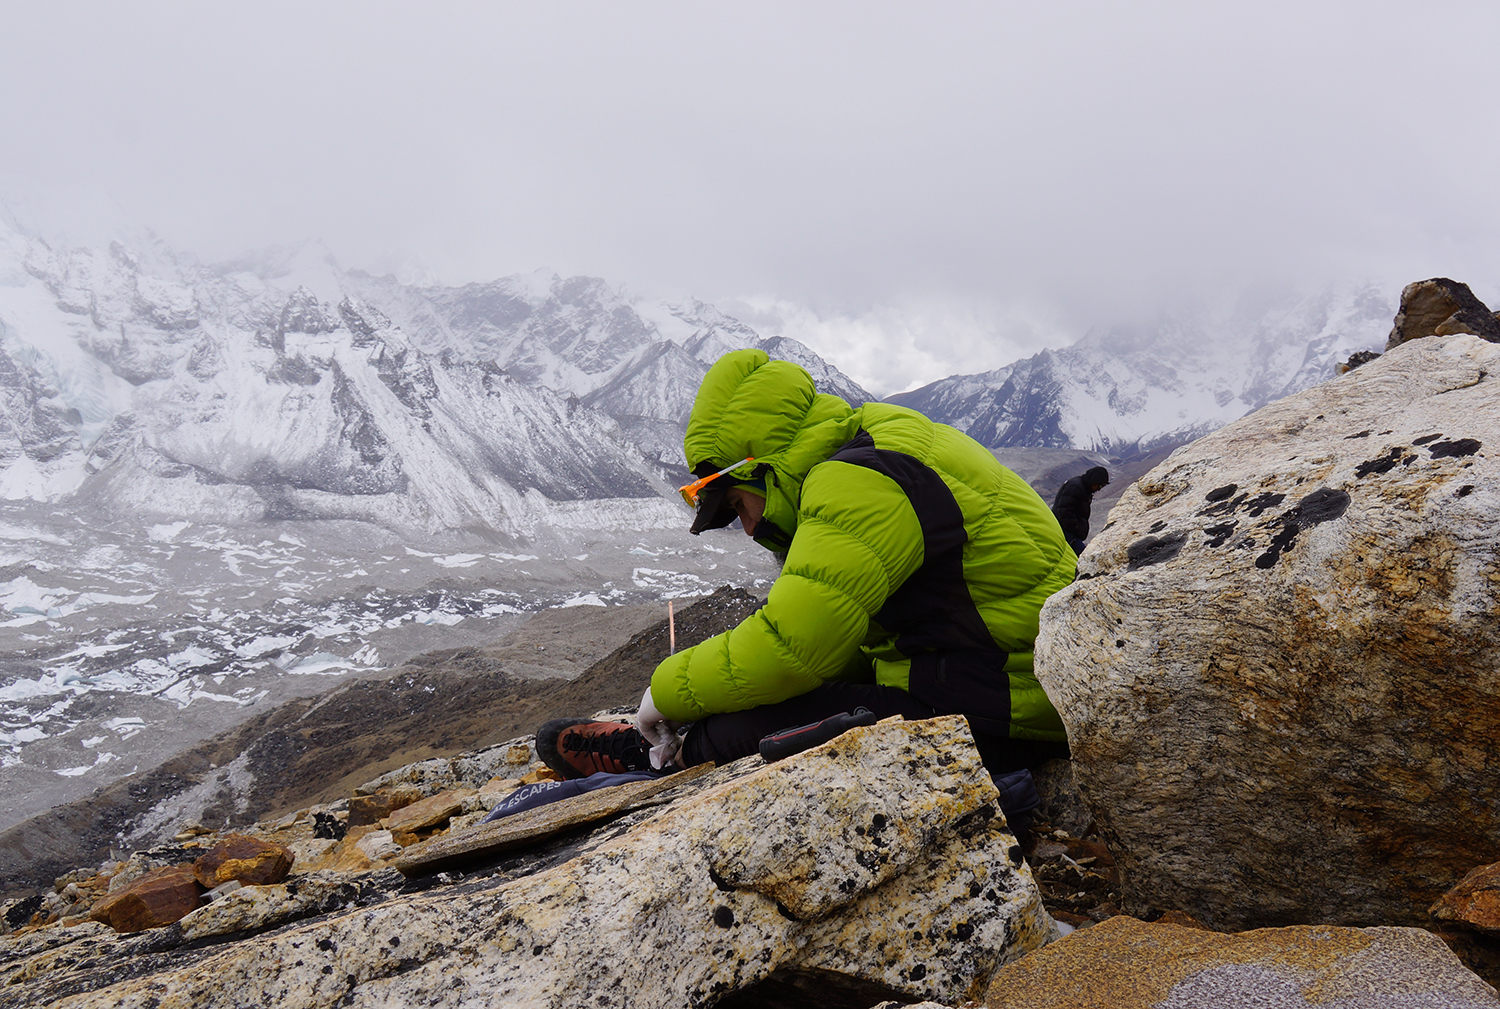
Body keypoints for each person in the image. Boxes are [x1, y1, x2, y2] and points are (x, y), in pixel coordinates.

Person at [537, 349, 1076, 781]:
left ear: (762, 470)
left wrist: (667, 691)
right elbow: (844, 636)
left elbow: (789, 649)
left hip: (1004, 708)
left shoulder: (855, 481)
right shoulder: (881, 438)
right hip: (1003, 677)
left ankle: (652, 756)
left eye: (739, 507)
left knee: (753, 727)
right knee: (770, 694)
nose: (748, 528)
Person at [1050, 466, 1109, 555]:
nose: (1099, 488)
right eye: (1100, 485)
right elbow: (1064, 511)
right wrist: (1077, 529)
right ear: (1094, 480)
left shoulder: (1083, 487)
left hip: (1069, 532)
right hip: (1066, 532)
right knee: (1082, 558)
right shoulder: (1076, 487)